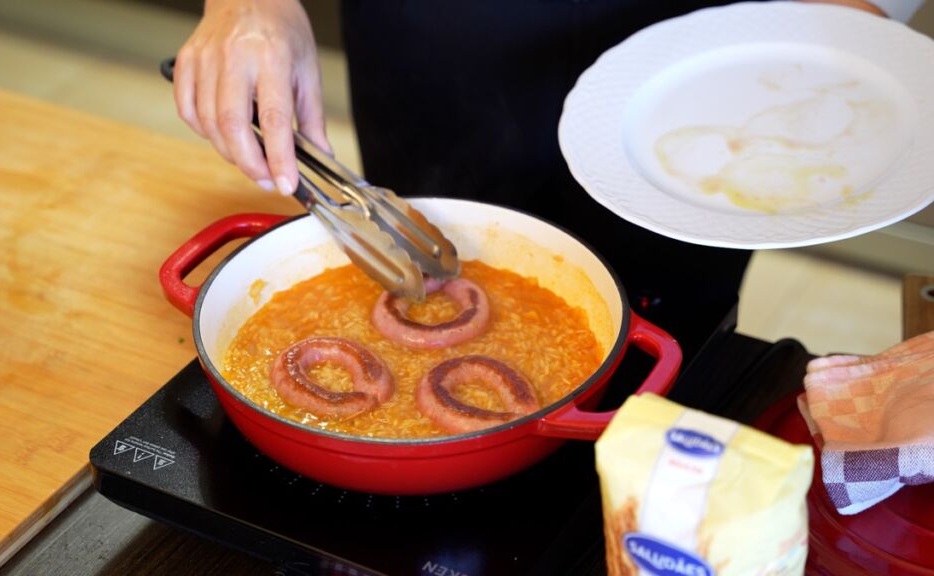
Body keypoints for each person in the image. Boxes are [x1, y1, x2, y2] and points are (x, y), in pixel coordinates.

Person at [173, 0, 922, 360]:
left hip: (689, 71)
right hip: (436, 38)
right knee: (417, 259)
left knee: (667, 332)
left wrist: (851, 15)